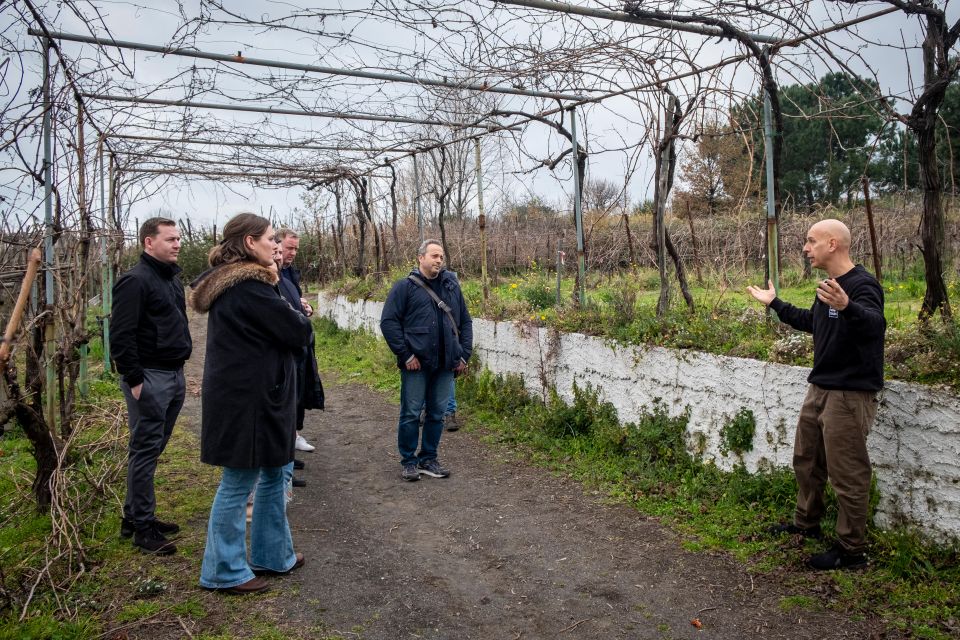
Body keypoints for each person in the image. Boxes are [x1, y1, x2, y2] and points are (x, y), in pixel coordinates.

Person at [747, 218, 885, 570]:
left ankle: (851, 550)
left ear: (833, 244)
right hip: (819, 388)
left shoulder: (861, 285)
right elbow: (813, 323)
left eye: (811, 241)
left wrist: (847, 306)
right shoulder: (829, 286)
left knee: (847, 473)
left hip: (849, 394)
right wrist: (775, 303)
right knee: (807, 461)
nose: (806, 248)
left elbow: (875, 325)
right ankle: (805, 523)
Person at [191, 213, 312, 594]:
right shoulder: (248, 287)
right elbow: (297, 331)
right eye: (270, 238)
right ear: (249, 243)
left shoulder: (250, 283)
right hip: (247, 401)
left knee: (276, 472)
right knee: (239, 480)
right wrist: (299, 317)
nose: (275, 245)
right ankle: (223, 570)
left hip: (262, 396)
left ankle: (273, 555)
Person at [111, 217, 192, 555]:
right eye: (170, 239)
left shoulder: (170, 278)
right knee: (144, 450)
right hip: (150, 377)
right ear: (148, 242)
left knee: (153, 448)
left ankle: (134, 516)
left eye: (178, 239)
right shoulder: (134, 281)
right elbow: (120, 335)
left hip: (173, 374)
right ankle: (143, 527)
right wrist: (134, 379)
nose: (177, 244)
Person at [380, 240, 472, 482]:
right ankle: (409, 461)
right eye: (434, 256)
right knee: (411, 413)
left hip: (445, 364)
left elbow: (465, 322)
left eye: (441, 256)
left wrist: (463, 354)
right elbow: (389, 323)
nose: (439, 260)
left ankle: (429, 458)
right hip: (416, 365)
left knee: (437, 413)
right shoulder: (404, 287)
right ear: (420, 258)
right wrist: (406, 354)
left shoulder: (451, 286)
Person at [276, 229, 325, 470]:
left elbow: (292, 302)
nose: (292, 253)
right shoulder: (270, 274)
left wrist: (302, 305)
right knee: (287, 396)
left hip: (300, 345)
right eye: (289, 248)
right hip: (285, 348)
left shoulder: (289, 274)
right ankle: (285, 448)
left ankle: (293, 437)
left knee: (299, 392)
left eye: (296, 248)